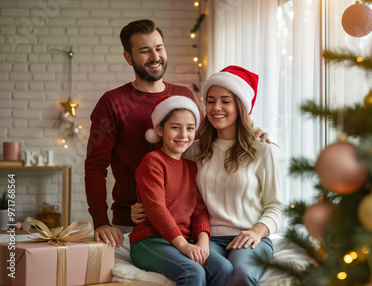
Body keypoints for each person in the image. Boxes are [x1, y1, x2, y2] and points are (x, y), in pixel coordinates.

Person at [85, 19, 270, 248]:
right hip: (135, 221)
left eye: (159, 48)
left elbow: (212, 140)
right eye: (144, 51)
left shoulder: (184, 96)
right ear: (128, 57)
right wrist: (101, 222)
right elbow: (95, 166)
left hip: (186, 224)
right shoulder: (112, 102)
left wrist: (252, 132)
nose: (155, 56)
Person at [133, 65, 284, 285]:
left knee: (240, 274)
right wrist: (141, 205)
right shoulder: (193, 150)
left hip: (249, 236)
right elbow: (176, 191)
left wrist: (256, 232)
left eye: (225, 101)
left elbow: (276, 207)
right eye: (211, 100)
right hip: (207, 238)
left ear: (240, 105)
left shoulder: (263, 150)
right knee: (219, 269)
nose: (216, 107)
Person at [129, 95, 231, 286]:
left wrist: (202, 242)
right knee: (192, 272)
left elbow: (199, 212)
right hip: (149, 242)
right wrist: (184, 246)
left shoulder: (191, 167)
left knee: (224, 268)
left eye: (190, 128)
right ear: (160, 129)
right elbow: (156, 209)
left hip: (183, 241)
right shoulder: (153, 162)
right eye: (175, 127)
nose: (183, 135)